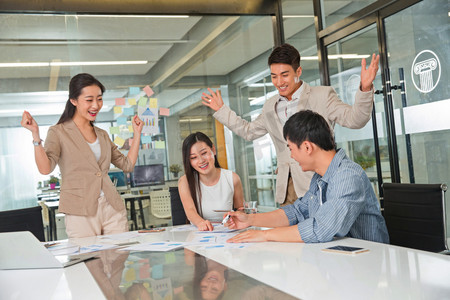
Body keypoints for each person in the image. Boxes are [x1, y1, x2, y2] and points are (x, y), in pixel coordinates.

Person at [202, 43, 379, 206]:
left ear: (298, 71)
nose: (279, 82)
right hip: (286, 188)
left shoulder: (322, 96)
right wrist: (222, 110)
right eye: (274, 76)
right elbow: (249, 132)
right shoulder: (270, 106)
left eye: (285, 75)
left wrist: (365, 88)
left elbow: (356, 120)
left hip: (317, 182)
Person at [225, 110, 389, 244]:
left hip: (367, 263)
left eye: (291, 149)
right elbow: (297, 212)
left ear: (307, 147)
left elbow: (321, 229)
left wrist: (265, 235)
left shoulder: (347, 177)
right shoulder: (320, 178)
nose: (292, 156)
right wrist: (250, 220)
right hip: (338, 258)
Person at [21, 73, 144, 238]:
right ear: (74, 101)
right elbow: (45, 169)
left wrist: (137, 134)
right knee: (90, 262)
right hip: (80, 211)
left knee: (118, 260)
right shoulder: (58, 132)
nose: (96, 105)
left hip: (112, 207)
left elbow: (127, 165)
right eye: (89, 100)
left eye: (99, 99)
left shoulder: (102, 134)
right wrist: (35, 135)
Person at [178, 132, 244, 231]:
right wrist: (201, 223)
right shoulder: (185, 182)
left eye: (204, 153)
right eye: (193, 157)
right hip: (199, 235)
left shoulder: (233, 178)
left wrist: (235, 218)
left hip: (228, 233)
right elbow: (190, 212)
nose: (201, 160)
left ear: (213, 150)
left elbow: (240, 210)